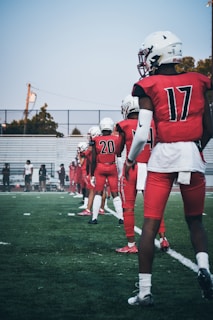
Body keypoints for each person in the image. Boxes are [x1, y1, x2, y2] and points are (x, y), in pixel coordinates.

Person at [125, 31, 213, 306]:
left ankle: (145, 292)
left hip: (163, 157)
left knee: (150, 225)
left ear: (156, 53)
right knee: (195, 220)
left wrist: (130, 160)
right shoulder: (199, 81)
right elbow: (209, 128)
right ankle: (203, 268)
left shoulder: (148, 85)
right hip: (191, 155)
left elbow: (141, 135)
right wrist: (196, 147)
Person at [115, 94, 169, 253]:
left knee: (128, 207)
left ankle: (131, 245)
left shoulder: (123, 124)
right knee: (156, 206)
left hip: (133, 167)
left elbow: (118, 150)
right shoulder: (153, 123)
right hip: (152, 167)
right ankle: (163, 239)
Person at [89, 117, 123, 224]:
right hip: (112, 166)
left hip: (100, 167)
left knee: (98, 192)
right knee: (115, 193)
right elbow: (119, 154)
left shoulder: (95, 140)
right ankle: (121, 218)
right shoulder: (116, 139)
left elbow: (93, 159)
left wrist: (92, 174)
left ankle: (94, 218)